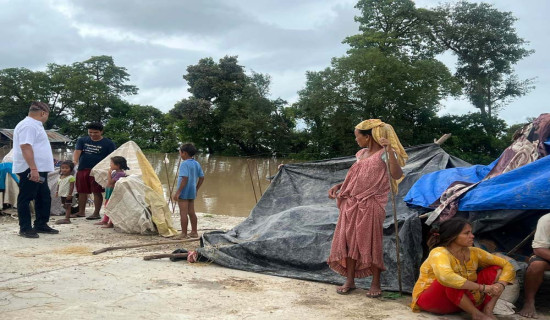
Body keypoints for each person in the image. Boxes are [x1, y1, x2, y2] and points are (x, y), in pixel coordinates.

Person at [327, 119, 408, 297]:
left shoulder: (385, 153)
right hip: (351, 203)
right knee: (348, 240)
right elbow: (357, 176)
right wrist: (340, 185)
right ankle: (350, 280)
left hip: (372, 203)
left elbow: (397, 174)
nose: (356, 140)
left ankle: (375, 282)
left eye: (358, 136)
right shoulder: (361, 153)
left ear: (368, 137)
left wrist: (389, 151)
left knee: (371, 241)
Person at [411, 218, 516, 320]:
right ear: (452, 236)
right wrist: (484, 288)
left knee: (497, 269)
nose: (472, 236)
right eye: (467, 233)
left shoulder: (475, 252)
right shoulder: (439, 252)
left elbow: (507, 265)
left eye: (471, 232)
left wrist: (500, 284)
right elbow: (447, 277)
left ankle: (487, 310)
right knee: (450, 279)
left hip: (460, 302)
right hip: (433, 301)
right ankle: (476, 315)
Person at [12, 101, 58, 238]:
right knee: (26, 197)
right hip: (30, 169)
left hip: (39, 169)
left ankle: (41, 224)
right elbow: (26, 146)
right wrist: (33, 168)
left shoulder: (34, 125)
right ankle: (25, 228)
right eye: (47, 115)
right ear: (43, 113)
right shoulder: (28, 125)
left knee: (43, 196)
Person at [72, 123, 116, 220]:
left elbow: (112, 157)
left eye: (95, 132)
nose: (92, 134)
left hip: (98, 171)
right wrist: (74, 162)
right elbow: (77, 152)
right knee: (81, 191)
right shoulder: (82, 140)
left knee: (96, 192)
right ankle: (81, 212)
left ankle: (96, 213)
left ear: (101, 132)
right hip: (83, 169)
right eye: (90, 132)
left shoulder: (108, 143)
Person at [518, 213, 550, 318]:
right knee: (536, 266)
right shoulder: (546, 220)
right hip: (547, 255)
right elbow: (539, 249)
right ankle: (529, 302)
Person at [171, 143, 204, 239]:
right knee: (191, 212)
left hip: (184, 192)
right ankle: (194, 232)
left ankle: (184, 233)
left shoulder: (184, 164)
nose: (180, 155)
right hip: (192, 191)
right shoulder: (196, 163)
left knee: (183, 213)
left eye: (180, 153)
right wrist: (196, 188)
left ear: (184, 153)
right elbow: (202, 177)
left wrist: (178, 192)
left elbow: (184, 178)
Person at [95, 156, 129, 228]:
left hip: (112, 191)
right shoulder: (116, 172)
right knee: (107, 205)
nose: (110, 165)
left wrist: (109, 173)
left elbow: (111, 182)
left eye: (111, 163)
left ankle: (111, 223)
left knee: (111, 206)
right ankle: (105, 220)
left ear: (118, 165)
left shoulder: (120, 173)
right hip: (109, 190)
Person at [55, 160, 76, 225]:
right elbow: (58, 185)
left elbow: (72, 187)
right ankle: (69, 214)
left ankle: (67, 219)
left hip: (68, 195)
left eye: (67, 168)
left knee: (68, 206)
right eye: (63, 168)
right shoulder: (60, 177)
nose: (64, 169)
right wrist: (57, 192)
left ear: (71, 169)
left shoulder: (71, 177)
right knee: (64, 205)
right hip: (62, 194)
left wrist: (70, 194)